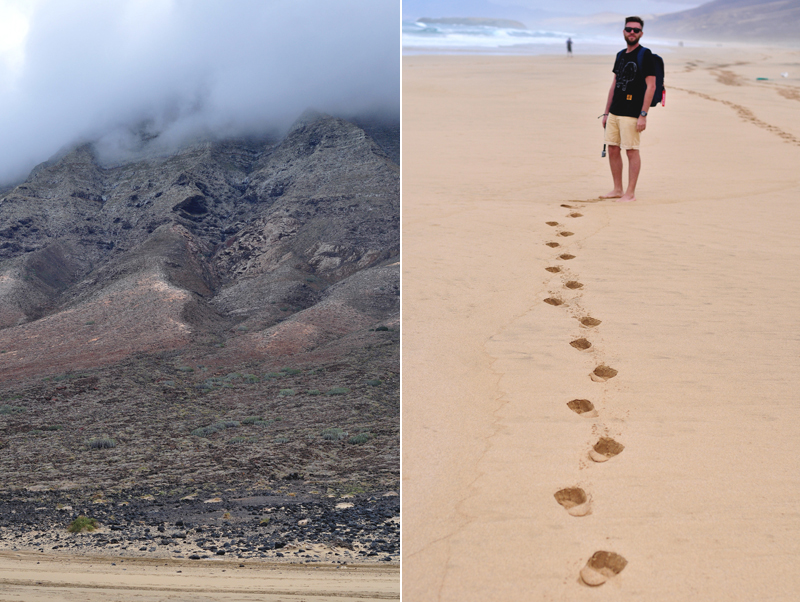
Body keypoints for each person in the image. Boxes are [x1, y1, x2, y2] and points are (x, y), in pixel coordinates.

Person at [600, 16, 656, 203]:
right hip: (615, 111)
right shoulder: (620, 55)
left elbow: (651, 86)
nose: (632, 32)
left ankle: (630, 193)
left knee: (631, 151)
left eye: (636, 30)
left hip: (632, 113)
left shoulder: (645, 55)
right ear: (624, 31)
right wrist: (607, 112)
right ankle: (617, 189)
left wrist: (643, 115)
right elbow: (614, 84)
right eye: (629, 29)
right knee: (613, 149)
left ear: (641, 33)